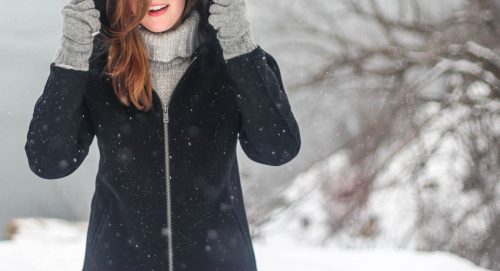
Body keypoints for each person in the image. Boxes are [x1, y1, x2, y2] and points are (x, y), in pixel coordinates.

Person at [24, 0, 301, 270]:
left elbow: (277, 149)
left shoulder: (234, 59)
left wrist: (239, 42)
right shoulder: (99, 66)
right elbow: (48, 161)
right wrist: (73, 51)